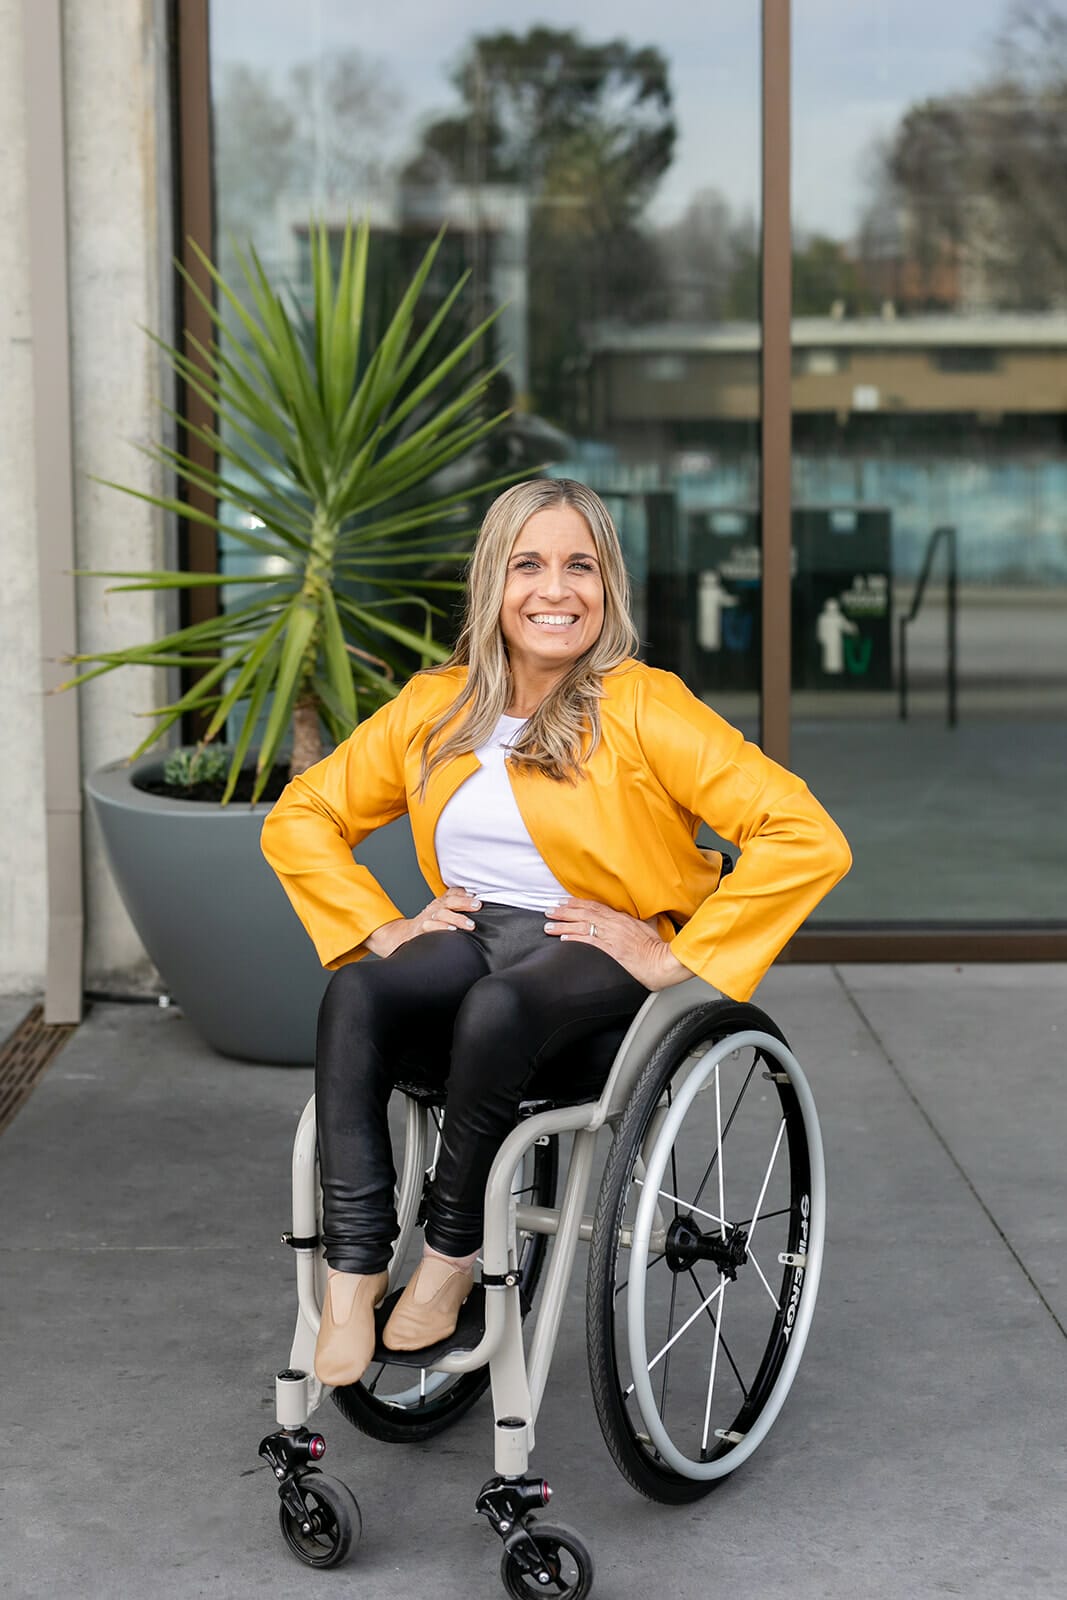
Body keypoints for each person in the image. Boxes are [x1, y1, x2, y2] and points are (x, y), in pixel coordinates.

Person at [261, 478, 851, 1387]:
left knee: (498, 1008)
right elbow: (302, 814)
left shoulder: (644, 705)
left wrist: (675, 953)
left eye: (580, 566)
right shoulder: (437, 705)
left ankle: (450, 1258)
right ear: (492, 584)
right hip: (474, 933)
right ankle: (355, 1267)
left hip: (588, 956)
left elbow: (804, 834)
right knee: (358, 992)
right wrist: (378, 928)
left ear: (606, 585)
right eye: (527, 565)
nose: (555, 589)